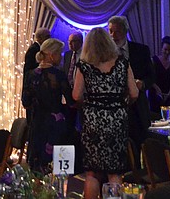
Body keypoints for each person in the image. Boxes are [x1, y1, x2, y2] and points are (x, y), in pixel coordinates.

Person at [73, 28, 138, 199]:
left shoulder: (84, 66)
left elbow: (76, 95)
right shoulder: (123, 63)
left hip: (93, 119)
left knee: (92, 173)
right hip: (117, 119)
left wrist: (90, 103)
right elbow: (134, 93)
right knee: (114, 172)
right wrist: (121, 103)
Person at [22, 38, 76, 171]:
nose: (61, 57)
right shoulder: (59, 75)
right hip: (56, 125)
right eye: (60, 53)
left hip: (37, 124)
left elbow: (25, 102)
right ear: (52, 55)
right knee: (60, 169)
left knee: (37, 167)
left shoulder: (30, 75)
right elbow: (71, 101)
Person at [108, 16, 154, 150]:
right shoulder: (105, 53)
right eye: (110, 31)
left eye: (117, 31)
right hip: (115, 108)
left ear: (125, 31)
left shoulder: (141, 50)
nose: (113, 35)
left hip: (138, 107)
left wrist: (142, 83)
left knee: (140, 144)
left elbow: (151, 76)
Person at [150, 36, 170, 113]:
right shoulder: (154, 60)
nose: (167, 52)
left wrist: (169, 94)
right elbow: (149, 77)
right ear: (161, 49)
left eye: (169, 50)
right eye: (165, 49)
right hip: (155, 94)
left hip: (168, 95)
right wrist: (157, 89)